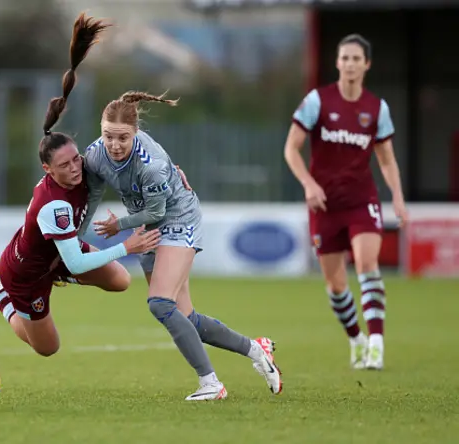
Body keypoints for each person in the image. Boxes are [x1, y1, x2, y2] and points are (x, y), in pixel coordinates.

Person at [0, 13, 161, 358]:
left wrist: (165, 168)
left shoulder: (84, 164)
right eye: (65, 165)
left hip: (61, 256)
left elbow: (122, 148)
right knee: (47, 348)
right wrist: (129, 245)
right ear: (47, 169)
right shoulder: (54, 205)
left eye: (76, 158)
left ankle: (59, 273)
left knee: (121, 282)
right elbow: (77, 263)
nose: (76, 168)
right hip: (25, 273)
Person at [81, 91, 283, 401]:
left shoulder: (151, 164)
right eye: (108, 136)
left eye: (123, 138)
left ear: (136, 133)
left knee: (160, 303)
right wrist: (76, 237)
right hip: (148, 222)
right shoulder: (95, 154)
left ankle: (211, 384)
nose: (115, 145)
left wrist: (119, 225)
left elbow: (158, 212)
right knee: (186, 318)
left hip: (178, 218)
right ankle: (256, 350)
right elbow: (92, 194)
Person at [283, 34, 408, 370]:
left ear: (366, 64)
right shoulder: (317, 101)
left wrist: (396, 195)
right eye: (345, 58)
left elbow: (386, 159)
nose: (350, 64)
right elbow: (291, 148)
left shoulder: (376, 108)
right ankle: (357, 339)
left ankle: (377, 344)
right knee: (335, 284)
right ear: (337, 63)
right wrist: (309, 184)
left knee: (368, 264)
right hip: (324, 206)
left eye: (357, 59)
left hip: (361, 200)